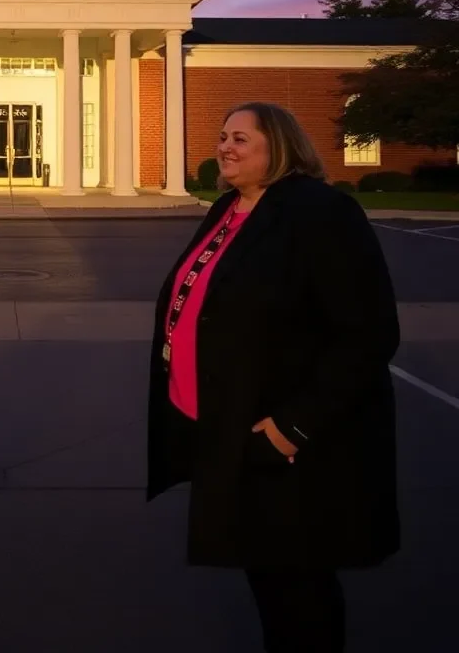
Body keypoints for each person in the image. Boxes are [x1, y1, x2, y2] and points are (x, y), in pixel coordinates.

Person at [146, 101, 400, 653]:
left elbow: (368, 334)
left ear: (279, 147)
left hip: (282, 439)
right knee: (268, 576)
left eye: (241, 139)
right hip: (230, 428)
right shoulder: (231, 209)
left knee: (298, 587)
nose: (225, 147)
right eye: (222, 136)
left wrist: (294, 426)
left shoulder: (320, 212)